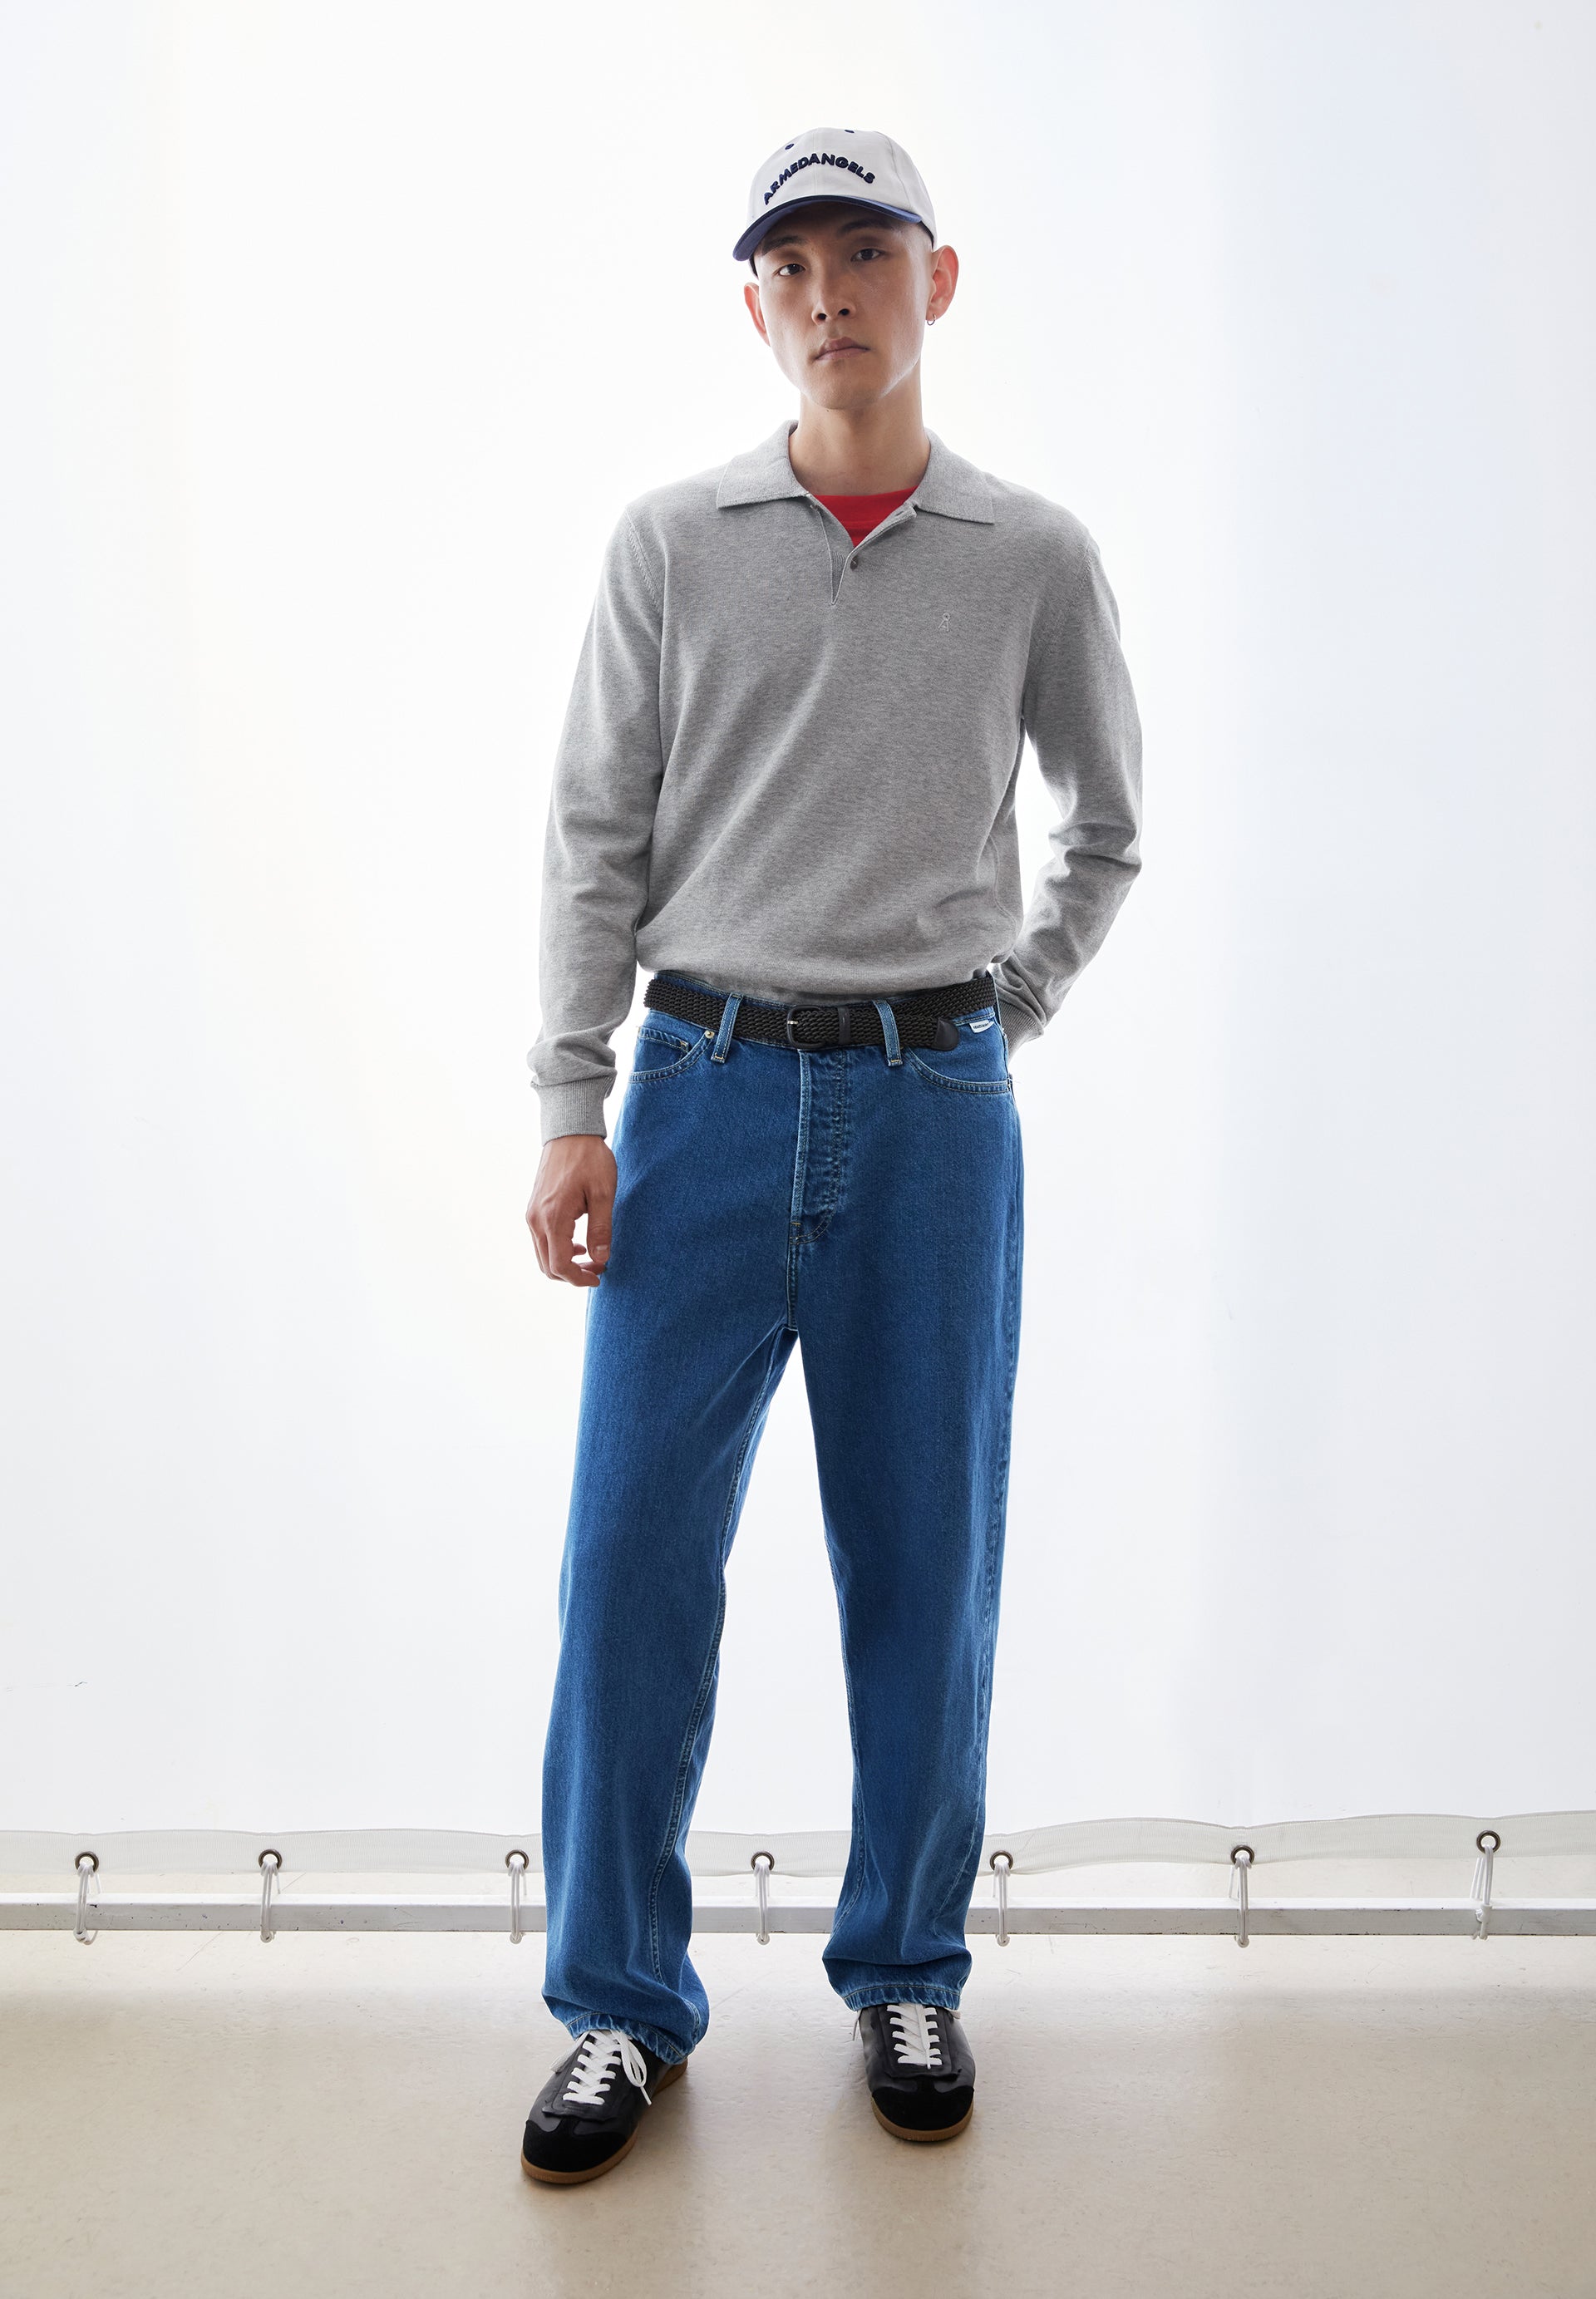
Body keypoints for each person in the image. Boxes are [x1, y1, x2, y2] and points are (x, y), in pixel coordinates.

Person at [519, 125, 1143, 2185]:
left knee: (923, 1566)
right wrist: (571, 1102)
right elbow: (594, 837)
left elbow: (1108, 829)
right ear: (755, 305)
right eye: (789, 263)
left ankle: (906, 1966)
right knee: (629, 1568)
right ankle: (619, 2004)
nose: (828, 292)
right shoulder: (670, 543)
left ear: (935, 280)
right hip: (696, 1096)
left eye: (864, 251)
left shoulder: (1032, 555)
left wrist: (1001, 1009)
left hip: (931, 1116)